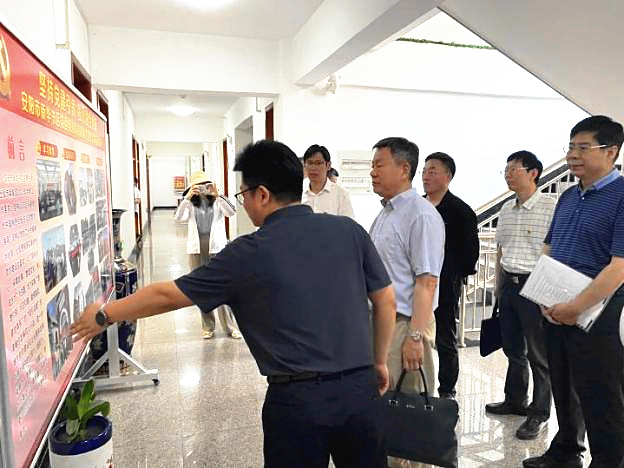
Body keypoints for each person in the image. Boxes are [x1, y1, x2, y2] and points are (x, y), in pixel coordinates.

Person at [71, 139, 396, 468]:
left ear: (262, 194)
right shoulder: (349, 231)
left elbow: (168, 295)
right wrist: (380, 361)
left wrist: (103, 314)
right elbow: (385, 299)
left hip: (298, 404)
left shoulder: (246, 253)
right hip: (361, 391)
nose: (244, 204)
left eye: (244, 195)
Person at [523, 116, 624, 468]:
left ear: (611, 152)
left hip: (599, 312)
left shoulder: (621, 196)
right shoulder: (568, 196)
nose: (572, 155)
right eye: (570, 147)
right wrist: (543, 296)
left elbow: (619, 266)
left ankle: (609, 461)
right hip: (556, 307)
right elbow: (550, 247)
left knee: (601, 394)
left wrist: (577, 306)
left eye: (583, 147)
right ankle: (566, 452)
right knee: (563, 385)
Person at [368, 137, 445, 468]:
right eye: (372, 166)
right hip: (383, 321)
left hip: (406, 324)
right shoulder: (386, 213)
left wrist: (415, 338)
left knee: (409, 407)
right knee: (387, 404)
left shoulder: (421, 215)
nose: (373, 172)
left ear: (403, 169)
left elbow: (427, 281)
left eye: (379, 165)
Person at [485, 151, 554, 440]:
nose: (508, 174)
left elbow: (555, 252)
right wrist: (499, 288)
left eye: (514, 169)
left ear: (533, 173)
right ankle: (515, 400)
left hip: (535, 285)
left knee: (539, 354)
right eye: (506, 170)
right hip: (510, 286)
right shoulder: (506, 208)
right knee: (513, 349)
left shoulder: (550, 207)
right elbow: (500, 250)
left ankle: (538, 413)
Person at [422, 152, 479, 399]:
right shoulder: (417, 207)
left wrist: (455, 276)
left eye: (432, 171)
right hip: (417, 283)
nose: (426, 176)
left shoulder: (460, 211)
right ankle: (417, 386)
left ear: (448, 176)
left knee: (445, 337)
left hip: (445, 283)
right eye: (424, 171)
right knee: (416, 334)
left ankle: (447, 390)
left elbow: (471, 251)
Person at [174, 171, 241, 339]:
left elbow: (231, 212)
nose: (202, 189)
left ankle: (230, 327)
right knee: (201, 289)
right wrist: (187, 198)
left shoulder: (217, 200)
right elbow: (179, 218)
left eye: (205, 185)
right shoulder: (190, 203)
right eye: (198, 186)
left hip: (216, 248)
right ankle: (208, 326)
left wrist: (218, 195)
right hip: (196, 249)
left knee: (222, 287)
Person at [302, 144, 354, 217]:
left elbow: (348, 222)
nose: (313, 168)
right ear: (305, 165)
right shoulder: (298, 192)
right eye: (310, 163)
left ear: (328, 165)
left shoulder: (340, 194)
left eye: (318, 163)